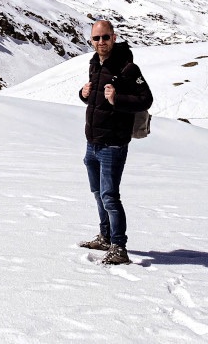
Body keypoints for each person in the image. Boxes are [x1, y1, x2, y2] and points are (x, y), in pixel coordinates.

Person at [77, 19, 152, 265]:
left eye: (105, 37)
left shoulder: (128, 67)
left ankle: (119, 247)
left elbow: (145, 99)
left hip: (113, 144)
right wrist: (83, 94)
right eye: (96, 39)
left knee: (110, 196)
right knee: (98, 193)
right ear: (91, 40)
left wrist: (117, 99)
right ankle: (105, 237)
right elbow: (95, 100)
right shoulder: (94, 64)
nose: (101, 42)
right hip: (93, 141)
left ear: (114, 37)